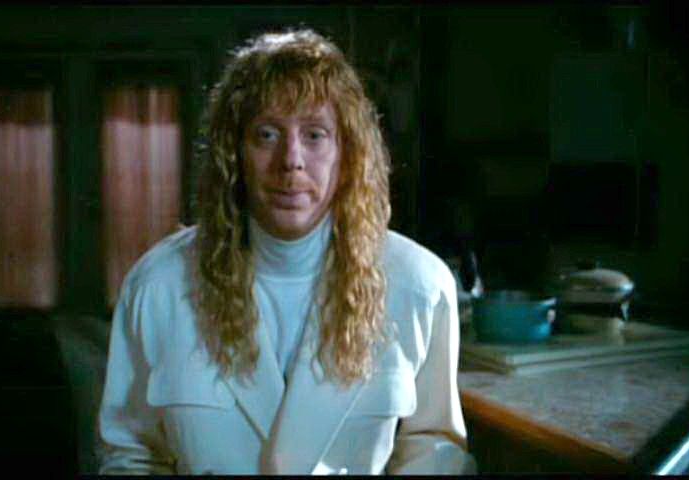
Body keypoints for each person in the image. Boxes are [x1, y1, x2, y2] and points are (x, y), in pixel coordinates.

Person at [97, 28, 476, 475]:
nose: (291, 160)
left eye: (314, 135)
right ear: (234, 153)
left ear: (348, 153)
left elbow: (434, 450)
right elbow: (129, 454)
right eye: (267, 134)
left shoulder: (419, 286)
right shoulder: (158, 285)